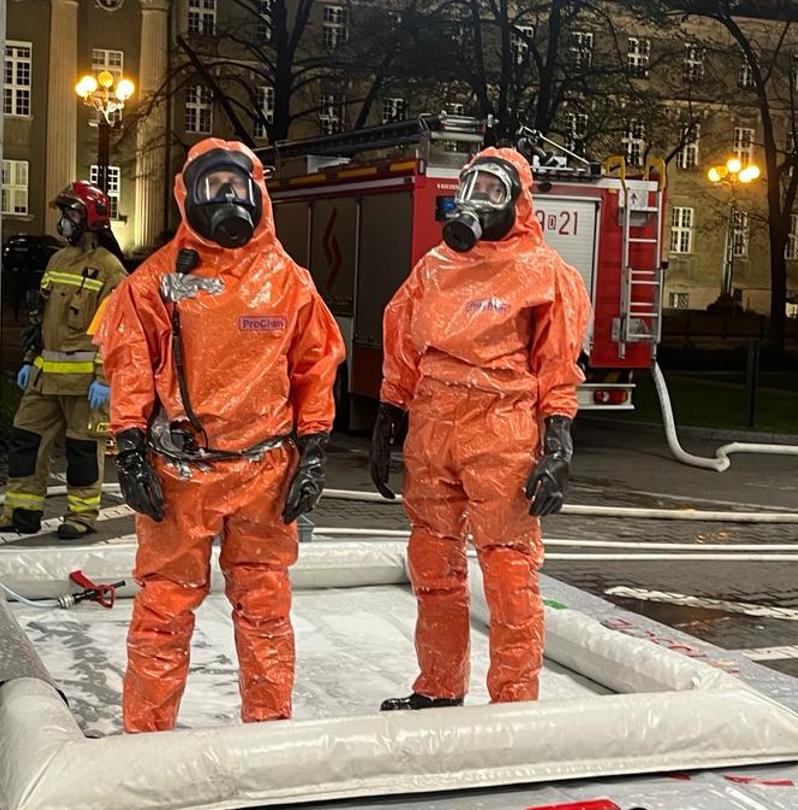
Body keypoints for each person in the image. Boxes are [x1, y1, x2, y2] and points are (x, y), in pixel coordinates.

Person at [95, 139, 344, 733]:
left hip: (265, 471)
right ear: (190, 196)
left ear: (258, 193)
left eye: (238, 185)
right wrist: (129, 448)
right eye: (215, 187)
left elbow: (315, 368)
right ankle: (147, 736)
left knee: (265, 606)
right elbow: (131, 364)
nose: (229, 198)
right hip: (181, 472)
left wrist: (313, 453)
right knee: (164, 607)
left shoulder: (289, 283)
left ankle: (268, 727)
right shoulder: (158, 281)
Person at [369, 147, 590, 711]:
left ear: (518, 202)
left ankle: (514, 700)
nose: (479, 200)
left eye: (494, 190)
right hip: (433, 424)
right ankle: (439, 685)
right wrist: (389, 414)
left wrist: (557, 442)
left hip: (501, 429)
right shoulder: (435, 267)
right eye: (472, 187)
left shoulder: (543, 272)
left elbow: (557, 365)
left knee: (508, 566)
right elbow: (403, 344)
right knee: (432, 560)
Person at [0, 181, 127, 539]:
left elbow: (114, 330)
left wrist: (104, 379)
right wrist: (29, 358)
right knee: (26, 438)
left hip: (85, 384)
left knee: (83, 451)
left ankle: (81, 516)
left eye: (71, 213)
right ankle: (22, 510)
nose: (64, 220)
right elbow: (42, 318)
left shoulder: (110, 270)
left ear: (91, 218)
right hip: (45, 377)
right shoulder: (58, 259)